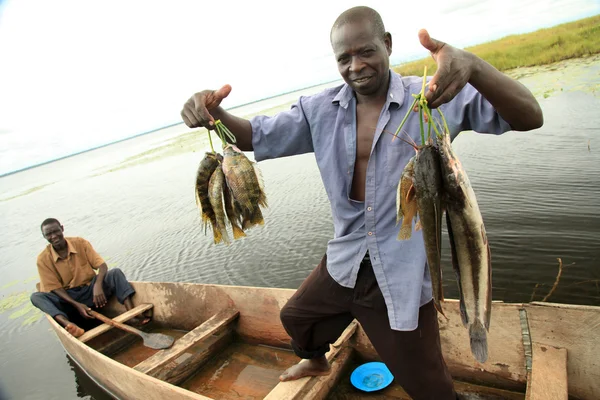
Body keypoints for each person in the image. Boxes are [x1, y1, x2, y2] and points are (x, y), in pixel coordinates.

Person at [181, 6, 542, 399]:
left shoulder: (433, 99)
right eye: (344, 57)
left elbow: (529, 116)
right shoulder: (318, 111)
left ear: (387, 45)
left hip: (401, 271)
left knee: (428, 385)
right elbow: (252, 136)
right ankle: (316, 357)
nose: (356, 65)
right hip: (347, 258)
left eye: (366, 51)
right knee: (296, 317)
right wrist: (214, 113)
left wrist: (474, 67)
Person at [30, 218, 150, 337]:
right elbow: (55, 288)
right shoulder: (43, 259)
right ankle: (69, 325)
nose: (54, 236)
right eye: (49, 234)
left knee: (115, 273)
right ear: (44, 236)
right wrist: (77, 305)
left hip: (91, 291)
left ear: (62, 228)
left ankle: (132, 314)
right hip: (68, 299)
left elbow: (102, 266)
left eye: (56, 231)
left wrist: (98, 285)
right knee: (36, 297)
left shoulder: (80, 243)